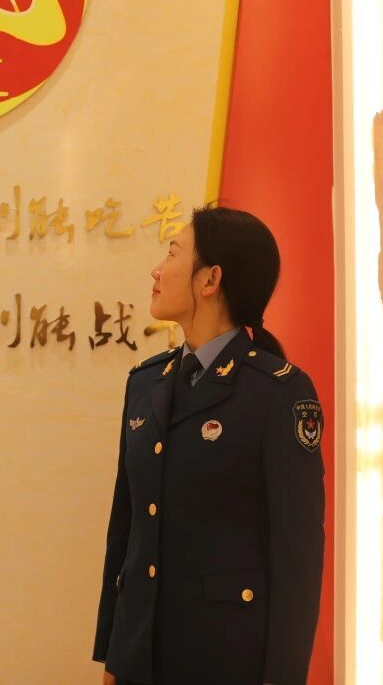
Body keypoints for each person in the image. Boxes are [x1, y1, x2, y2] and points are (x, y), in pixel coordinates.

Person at [92, 204, 324, 684]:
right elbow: (127, 529)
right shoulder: (145, 382)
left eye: (172, 253)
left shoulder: (277, 392)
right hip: (140, 660)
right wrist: (114, 654)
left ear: (210, 279)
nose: (157, 270)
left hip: (225, 661)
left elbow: (297, 560)